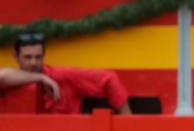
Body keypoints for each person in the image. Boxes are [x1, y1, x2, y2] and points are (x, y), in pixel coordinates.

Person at [0, 31, 131, 114]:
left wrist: (128, 125)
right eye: (27, 57)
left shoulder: (62, 76)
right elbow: (2, 77)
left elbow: (109, 79)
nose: (33, 62)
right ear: (16, 57)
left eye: (38, 57)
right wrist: (41, 78)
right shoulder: (11, 80)